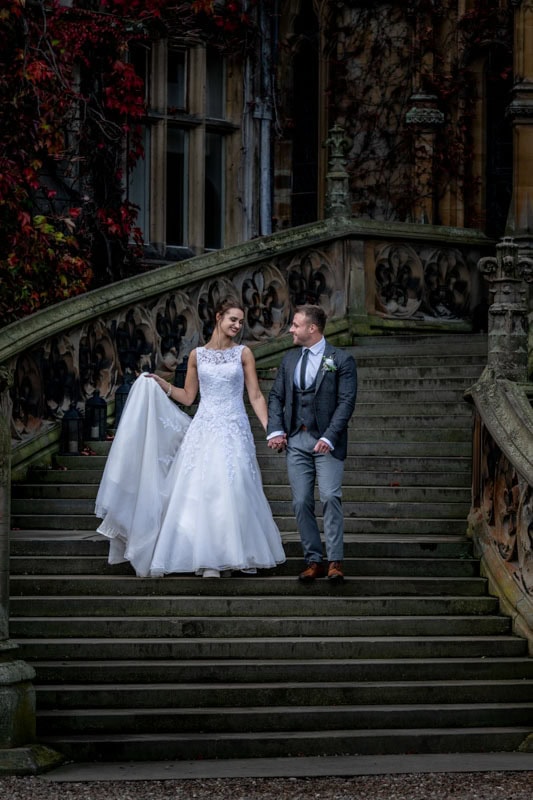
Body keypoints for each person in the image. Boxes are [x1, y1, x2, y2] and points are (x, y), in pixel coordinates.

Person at [95, 297, 286, 579]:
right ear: (218, 317)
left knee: (235, 488)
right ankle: (207, 559)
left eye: (241, 321)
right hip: (205, 427)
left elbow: (255, 395)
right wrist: (162, 384)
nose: (237, 325)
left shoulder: (243, 353)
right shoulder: (197, 355)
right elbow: (188, 396)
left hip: (234, 426)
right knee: (203, 491)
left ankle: (232, 555)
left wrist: (272, 428)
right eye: (233, 319)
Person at [267, 304, 357, 583]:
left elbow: (346, 402)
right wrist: (277, 430)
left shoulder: (340, 359)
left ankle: (335, 561)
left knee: (330, 497)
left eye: (295, 324)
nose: (291, 329)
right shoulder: (289, 360)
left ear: (312, 328)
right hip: (297, 439)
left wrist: (329, 437)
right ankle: (313, 559)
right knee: (301, 500)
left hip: (328, 440)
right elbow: (276, 397)